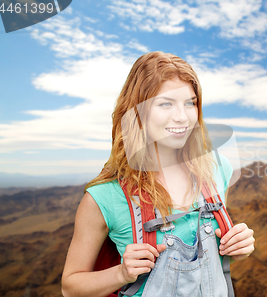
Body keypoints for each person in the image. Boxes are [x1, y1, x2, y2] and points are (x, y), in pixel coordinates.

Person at [61, 52, 255, 297]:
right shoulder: (104, 197)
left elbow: (208, 264)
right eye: (166, 104)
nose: (182, 117)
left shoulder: (217, 168)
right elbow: (70, 287)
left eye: (190, 103)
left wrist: (237, 249)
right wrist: (121, 273)